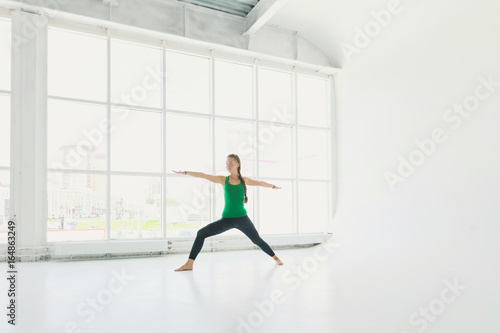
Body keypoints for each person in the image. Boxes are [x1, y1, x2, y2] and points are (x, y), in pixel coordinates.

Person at [173, 154, 284, 271]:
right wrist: (185, 172)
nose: (228, 165)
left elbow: (260, 183)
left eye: (230, 163)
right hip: (226, 220)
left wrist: (273, 186)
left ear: (237, 164)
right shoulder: (223, 180)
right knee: (201, 233)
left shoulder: (244, 180)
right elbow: (204, 175)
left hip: (242, 219)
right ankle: (189, 263)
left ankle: (276, 258)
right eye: (226, 163)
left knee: (256, 239)